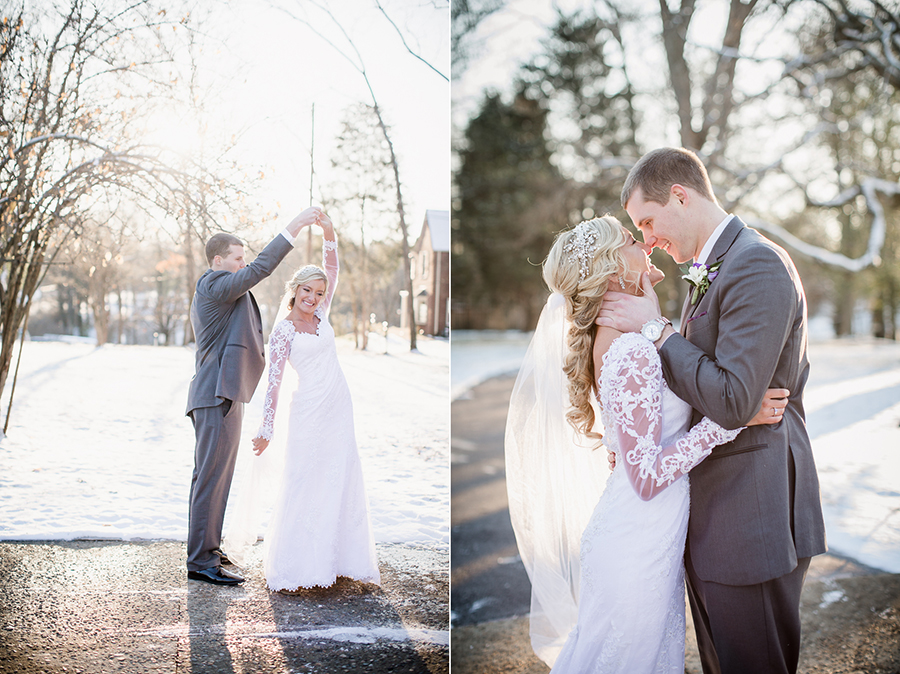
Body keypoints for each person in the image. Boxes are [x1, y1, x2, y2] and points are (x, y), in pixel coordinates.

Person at [506, 216, 786, 672]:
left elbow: (633, 447)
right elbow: (648, 476)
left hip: (642, 536)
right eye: (634, 240)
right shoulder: (632, 350)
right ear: (615, 268)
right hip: (637, 546)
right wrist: (731, 420)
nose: (647, 245)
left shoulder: (626, 336)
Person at [596, 147, 827, 674]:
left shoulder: (757, 264)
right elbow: (692, 387)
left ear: (681, 195)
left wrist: (657, 331)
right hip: (714, 520)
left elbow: (733, 401)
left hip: (752, 517)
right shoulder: (714, 268)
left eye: (648, 222)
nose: (648, 240)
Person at [242, 212, 380, 592]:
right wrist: (266, 428)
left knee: (340, 477)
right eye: (308, 292)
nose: (314, 298)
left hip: (339, 406)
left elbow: (332, 267)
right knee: (305, 480)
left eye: (319, 293)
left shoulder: (323, 314)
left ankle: (338, 560)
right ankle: (300, 565)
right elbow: (273, 383)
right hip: (307, 411)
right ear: (295, 289)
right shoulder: (284, 331)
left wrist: (330, 231)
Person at [185, 206, 322, 585]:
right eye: (237, 258)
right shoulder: (213, 284)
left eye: (244, 258)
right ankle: (200, 561)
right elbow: (261, 269)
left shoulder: (224, 291)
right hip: (216, 395)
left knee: (215, 478)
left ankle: (206, 550)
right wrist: (294, 227)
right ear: (218, 261)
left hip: (225, 395)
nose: (244, 264)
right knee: (211, 478)